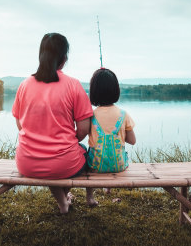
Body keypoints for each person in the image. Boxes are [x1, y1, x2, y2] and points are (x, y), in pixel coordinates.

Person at [12, 33, 93, 214]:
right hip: (65, 164)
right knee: (82, 153)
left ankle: (63, 202)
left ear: (41, 55)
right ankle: (64, 199)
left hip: (27, 163)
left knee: (57, 162)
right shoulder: (73, 85)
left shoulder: (24, 85)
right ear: (64, 58)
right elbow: (83, 130)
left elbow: (20, 124)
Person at [85, 68, 136, 206]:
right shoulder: (123, 114)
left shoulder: (90, 115)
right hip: (119, 166)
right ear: (116, 90)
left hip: (95, 166)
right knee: (116, 152)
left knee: (87, 153)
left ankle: (90, 196)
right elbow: (132, 141)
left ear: (93, 92)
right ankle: (108, 187)